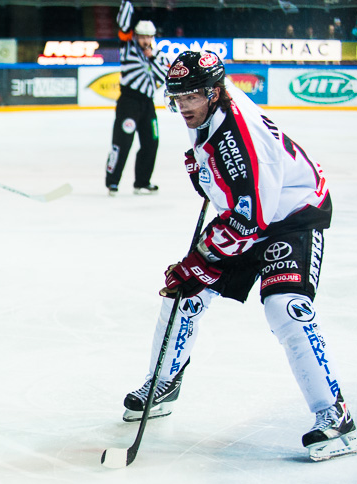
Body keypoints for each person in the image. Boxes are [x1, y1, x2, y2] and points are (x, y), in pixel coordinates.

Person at [122, 50, 353, 462]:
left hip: (294, 214)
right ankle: (164, 381)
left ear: (213, 93)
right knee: (185, 294)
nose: (182, 107)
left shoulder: (241, 139)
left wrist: (199, 259)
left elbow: (251, 223)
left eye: (190, 98)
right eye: (176, 98)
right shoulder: (211, 108)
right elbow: (238, 200)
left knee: (285, 306)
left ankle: (336, 417)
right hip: (254, 211)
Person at [105, 0, 170, 196]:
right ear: (136, 36)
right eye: (142, 37)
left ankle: (142, 181)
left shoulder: (158, 55)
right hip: (129, 102)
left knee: (152, 141)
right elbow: (123, 24)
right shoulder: (128, 48)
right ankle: (112, 181)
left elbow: (164, 76)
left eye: (148, 37)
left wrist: (151, 58)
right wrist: (127, 2)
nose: (145, 40)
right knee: (122, 142)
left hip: (147, 103)